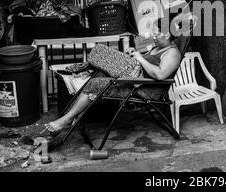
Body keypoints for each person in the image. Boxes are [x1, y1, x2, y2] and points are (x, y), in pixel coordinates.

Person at [45, 18, 182, 133]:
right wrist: (135, 54)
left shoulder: (173, 53)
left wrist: (140, 59)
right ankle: (72, 113)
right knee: (97, 67)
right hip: (132, 78)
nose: (154, 37)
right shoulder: (157, 47)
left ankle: (68, 118)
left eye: (157, 35)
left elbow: (160, 75)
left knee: (98, 58)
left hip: (143, 88)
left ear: (168, 35)